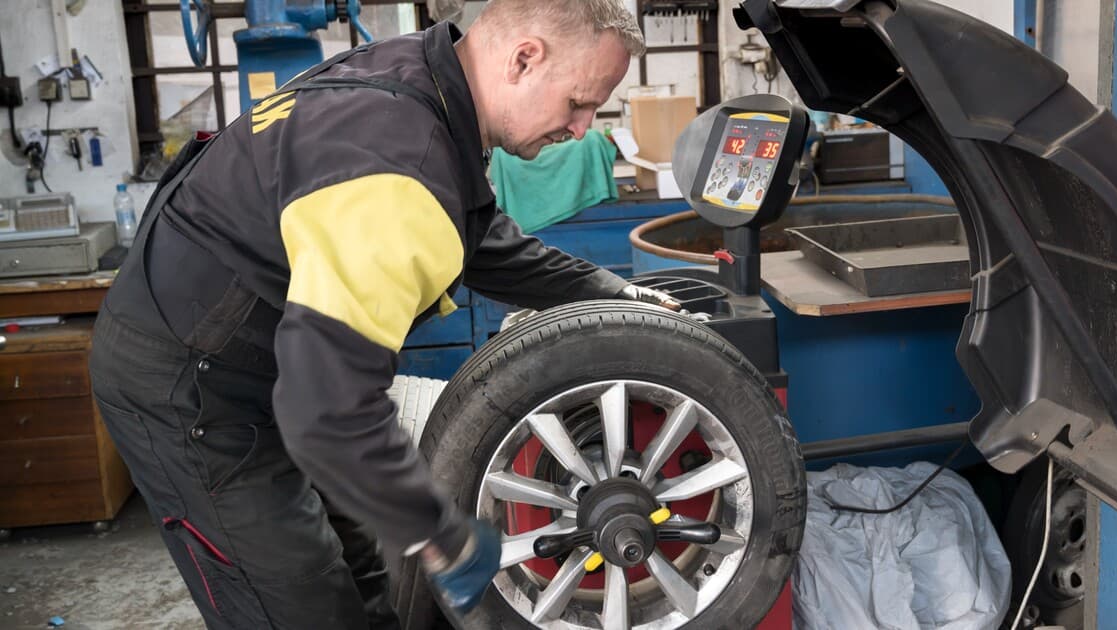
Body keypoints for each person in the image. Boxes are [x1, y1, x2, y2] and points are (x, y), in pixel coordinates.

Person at [89, 1, 678, 628]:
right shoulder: (397, 165)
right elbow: (327, 413)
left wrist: (607, 290)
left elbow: (479, 237)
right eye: (578, 104)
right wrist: (444, 537)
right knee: (299, 605)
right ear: (524, 58)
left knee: (360, 570)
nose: (585, 129)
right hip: (186, 388)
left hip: (256, 354)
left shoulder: (426, 79)